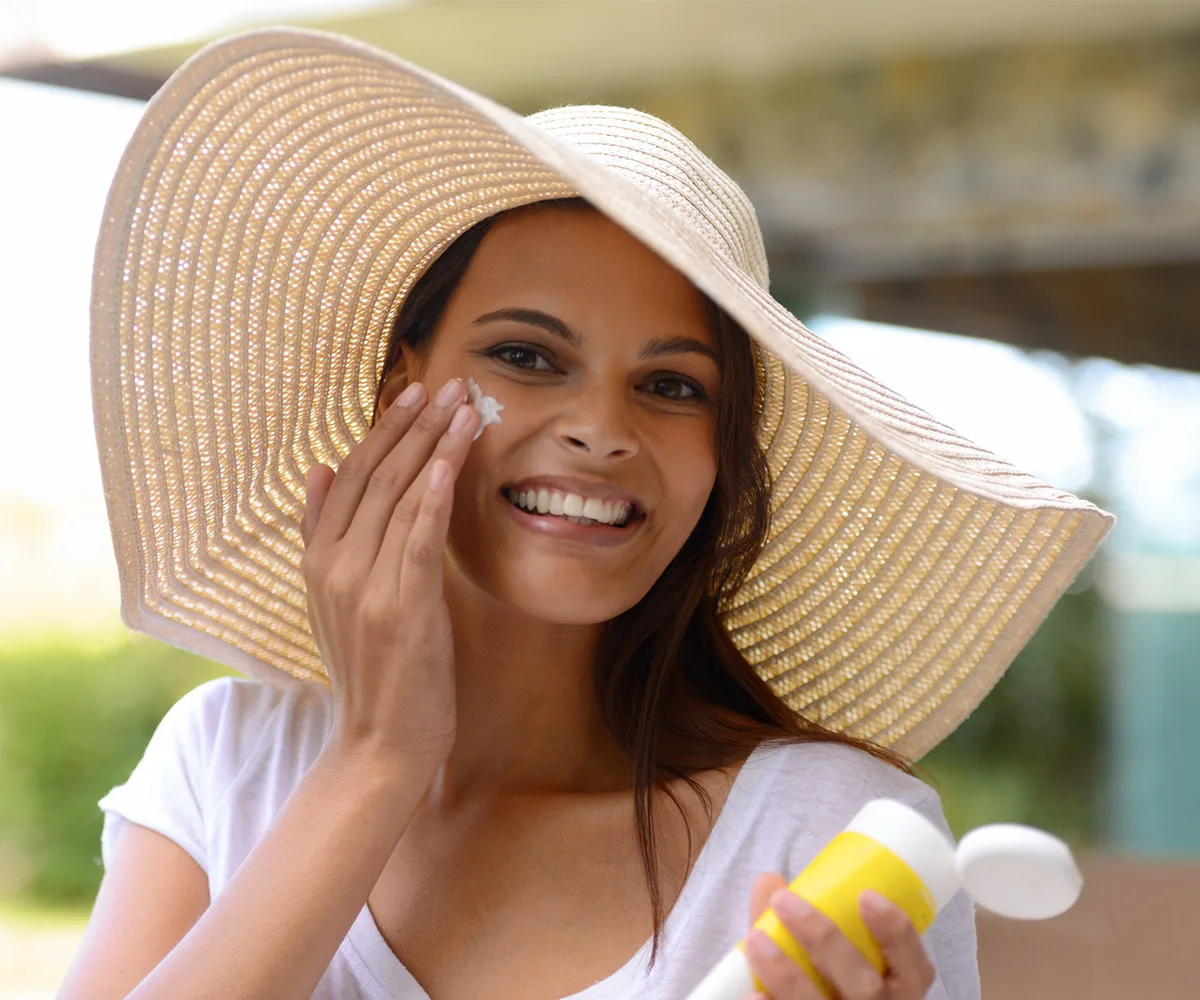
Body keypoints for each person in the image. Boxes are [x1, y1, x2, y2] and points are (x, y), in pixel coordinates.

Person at [63, 27, 1112, 1000]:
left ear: (719, 464)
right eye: (524, 356)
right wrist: (378, 757)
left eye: (672, 386)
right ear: (398, 396)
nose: (603, 430)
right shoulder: (226, 760)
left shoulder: (828, 834)